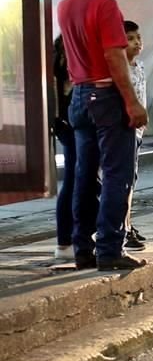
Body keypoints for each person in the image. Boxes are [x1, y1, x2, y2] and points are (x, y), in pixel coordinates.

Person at [57, 0, 148, 271]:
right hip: (107, 96)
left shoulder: (65, 6)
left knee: (83, 174)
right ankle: (110, 248)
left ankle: (83, 248)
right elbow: (114, 56)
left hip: (79, 96)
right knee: (116, 174)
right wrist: (133, 102)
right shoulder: (106, 4)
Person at [52, 36, 77, 261]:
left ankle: (67, 240)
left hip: (68, 130)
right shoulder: (64, 83)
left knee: (74, 181)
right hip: (70, 131)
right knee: (73, 181)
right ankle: (66, 240)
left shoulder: (61, 82)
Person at [122, 20, 147, 251]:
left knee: (132, 180)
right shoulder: (122, 70)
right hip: (125, 131)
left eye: (138, 37)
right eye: (130, 38)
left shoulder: (138, 67)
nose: (137, 42)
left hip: (137, 132)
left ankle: (128, 224)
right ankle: (124, 228)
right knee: (125, 182)